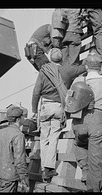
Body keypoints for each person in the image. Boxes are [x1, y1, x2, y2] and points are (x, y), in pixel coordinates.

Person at [65, 53, 102, 192]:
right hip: (97, 119)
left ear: (86, 66)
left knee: (79, 144)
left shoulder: (79, 80)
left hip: (79, 121)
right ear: (100, 67)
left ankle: (85, 170)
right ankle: (93, 189)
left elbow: (71, 101)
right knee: (96, 159)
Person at [31, 48, 68, 181]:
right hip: (58, 107)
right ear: (61, 58)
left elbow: (36, 92)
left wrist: (34, 110)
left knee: (44, 138)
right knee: (54, 138)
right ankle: (49, 168)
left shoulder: (44, 71)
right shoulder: (65, 71)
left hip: (45, 107)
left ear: (50, 58)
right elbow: (80, 69)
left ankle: (44, 170)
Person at [0, 106, 29, 193]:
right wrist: (24, 178)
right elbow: (19, 160)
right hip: (8, 179)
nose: (25, 118)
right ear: (18, 119)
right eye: (23, 116)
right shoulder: (18, 135)